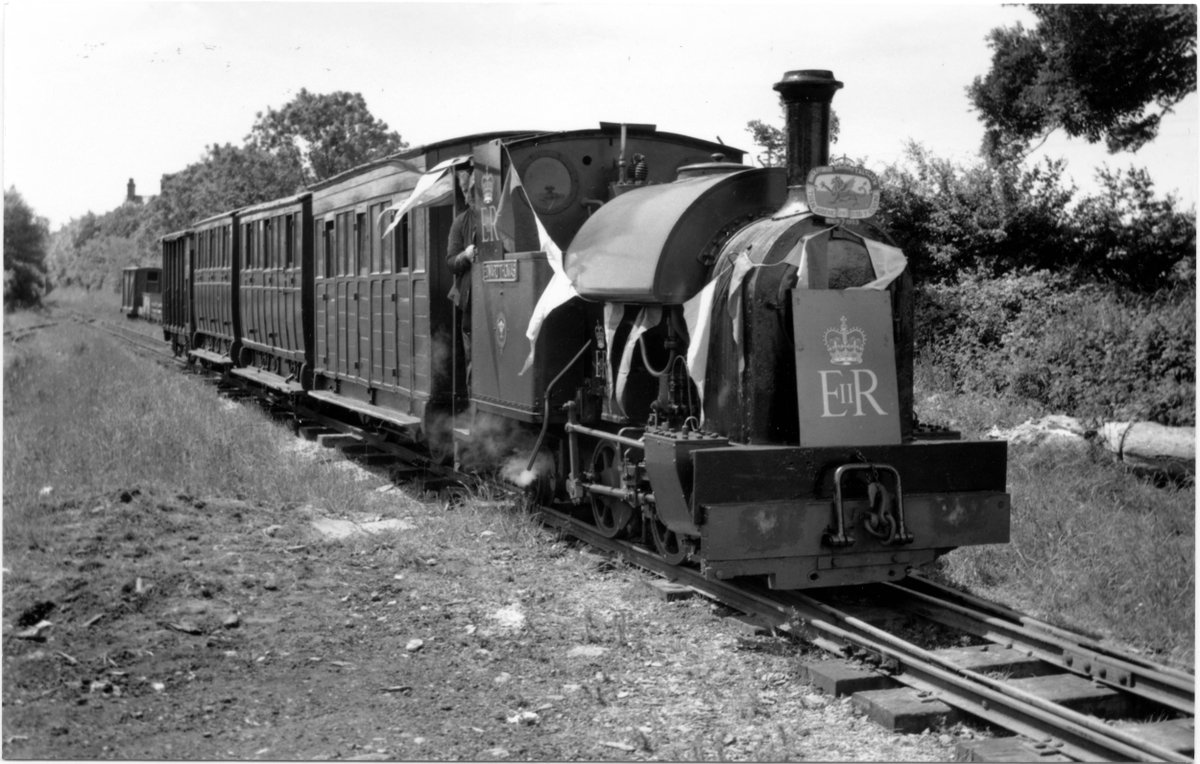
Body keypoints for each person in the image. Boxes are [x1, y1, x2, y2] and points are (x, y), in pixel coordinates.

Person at [447, 168, 477, 381]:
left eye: (470, 191)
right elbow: (450, 262)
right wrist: (465, 256)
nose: (467, 197)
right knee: (472, 361)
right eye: (464, 191)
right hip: (471, 302)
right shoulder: (460, 222)